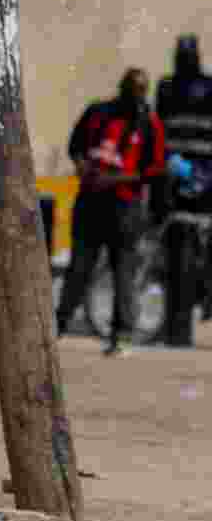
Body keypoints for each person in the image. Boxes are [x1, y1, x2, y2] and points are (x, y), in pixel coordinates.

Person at [55, 68, 166, 355]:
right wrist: (82, 167)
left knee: (123, 271)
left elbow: (153, 170)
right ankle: (59, 324)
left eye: (141, 92)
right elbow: (75, 146)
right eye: (132, 90)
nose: (136, 97)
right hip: (90, 201)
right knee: (80, 265)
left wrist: (117, 180)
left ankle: (121, 335)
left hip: (125, 207)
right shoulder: (97, 112)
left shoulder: (148, 123)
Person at [152, 34, 212, 347]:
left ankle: (199, 308)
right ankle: (176, 330)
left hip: (205, 178)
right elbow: (158, 128)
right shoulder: (165, 87)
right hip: (173, 179)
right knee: (174, 256)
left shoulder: (209, 86)